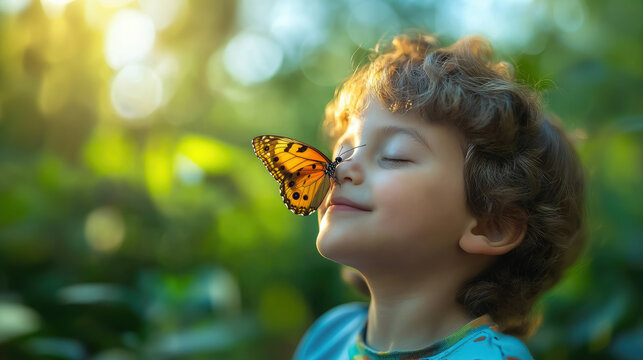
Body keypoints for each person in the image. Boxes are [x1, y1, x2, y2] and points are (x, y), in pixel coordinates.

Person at [292, 32, 586, 360]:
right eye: (342, 152)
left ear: (491, 225)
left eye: (395, 155)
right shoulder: (327, 336)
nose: (343, 169)